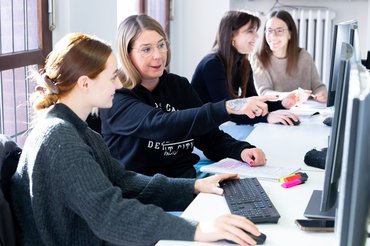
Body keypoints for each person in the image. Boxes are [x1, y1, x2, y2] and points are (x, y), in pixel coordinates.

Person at [9, 32, 263, 246]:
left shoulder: (80, 131)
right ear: (85, 83)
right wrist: (197, 230)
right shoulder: (60, 138)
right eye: (112, 77)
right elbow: (110, 215)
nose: (119, 84)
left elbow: (123, 180)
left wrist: (195, 187)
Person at [100, 14, 268, 179]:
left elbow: (208, 136)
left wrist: (241, 150)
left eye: (161, 45)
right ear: (127, 54)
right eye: (146, 49)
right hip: (147, 189)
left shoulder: (178, 85)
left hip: (188, 178)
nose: (158, 55)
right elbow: (162, 125)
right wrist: (228, 106)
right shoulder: (116, 96)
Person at [191, 10, 299, 126]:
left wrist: (282, 103)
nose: (257, 36)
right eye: (250, 31)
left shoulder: (243, 63)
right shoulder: (212, 64)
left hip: (218, 128)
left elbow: (252, 99)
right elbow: (227, 111)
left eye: (256, 31)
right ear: (232, 35)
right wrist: (267, 117)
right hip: (202, 132)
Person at [252, 10, 327, 103]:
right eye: (269, 30)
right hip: (276, 111)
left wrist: (321, 93)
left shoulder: (304, 56)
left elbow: (318, 86)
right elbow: (264, 92)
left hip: (307, 111)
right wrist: (291, 96)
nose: (273, 36)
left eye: (279, 30)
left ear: (290, 34)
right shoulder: (258, 57)